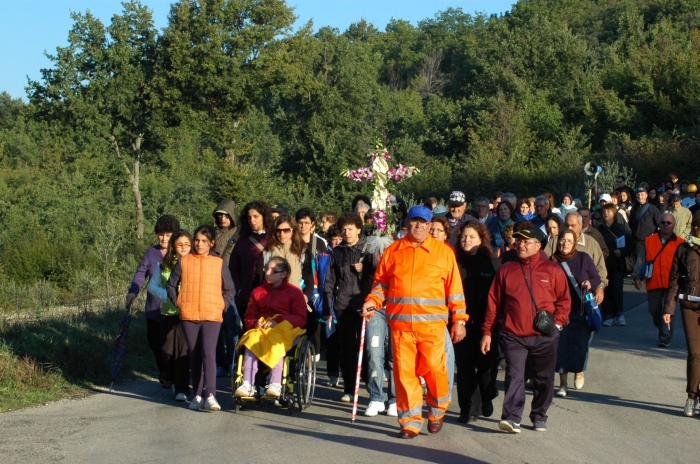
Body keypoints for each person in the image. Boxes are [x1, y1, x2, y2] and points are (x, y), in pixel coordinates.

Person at [362, 205, 467, 439]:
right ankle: (410, 421)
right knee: (404, 375)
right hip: (401, 328)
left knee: (435, 371)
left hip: (432, 328)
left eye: (423, 222)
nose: (419, 226)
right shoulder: (393, 251)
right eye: (414, 221)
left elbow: (455, 291)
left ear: (430, 226)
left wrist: (460, 320)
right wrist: (373, 301)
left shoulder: (444, 253)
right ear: (407, 223)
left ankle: (437, 410)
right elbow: (381, 284)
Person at [481, 227, 571, 433]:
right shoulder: (506, 269)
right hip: (513, 335)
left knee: (544, 378)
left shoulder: (553, 270)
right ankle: (511, 418)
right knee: (514, 376)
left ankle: (539, 414)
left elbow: (565, 301)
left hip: (544, 336)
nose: (521, 244)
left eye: (526, 241)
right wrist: (487, 331)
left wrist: (557, 324)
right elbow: (493, 303)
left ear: (538, 246)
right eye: (519, 241)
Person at [167, 225, 236, 411]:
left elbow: (230, 289)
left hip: (212, 315)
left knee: (209, 353)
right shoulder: (183, 261)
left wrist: (221, 305)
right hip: (189, 315)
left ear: (211, 243)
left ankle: (211, 395)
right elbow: (171, 285)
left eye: (204, 241)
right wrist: (179, 302)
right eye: (197, 240)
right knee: (195, 354)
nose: (199, 244)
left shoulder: (219, 262)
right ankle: (197, 395)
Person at [322, 214, 387, 411]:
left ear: (359, 230)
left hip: (365, 304)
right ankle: (350, 389)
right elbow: (330, 282)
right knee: (347, 349)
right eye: (344, 229)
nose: (347, 233)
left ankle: (371, 386)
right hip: (343, 305)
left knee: (368, 347)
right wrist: (327, 309)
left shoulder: (370, 249)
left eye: (351, 229)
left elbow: (379, 277)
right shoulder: (336, 252)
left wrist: (365, 268)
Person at [235, 256, 307, 398]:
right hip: (262, 329)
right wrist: (254, 323)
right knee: (251, 338)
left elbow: (301, 318)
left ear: (284, 274)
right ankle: (247, 383)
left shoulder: (294, 292)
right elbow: (249, 315)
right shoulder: (257, 292)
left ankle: (275, 383)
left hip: (285, 329)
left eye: (274, 271)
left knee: (275, 340)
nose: (268, 273)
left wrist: (279, 320)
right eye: (267, 269)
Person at [454, 221, 501, 423]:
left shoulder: (492, 263)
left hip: (486, 325)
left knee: (486, 368)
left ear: (481, 240)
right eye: (464, 236)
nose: (467, 240)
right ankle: (467, 409)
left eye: (472, 236)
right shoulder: (454, 262)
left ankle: (487, 395)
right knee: (465, 369)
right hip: (461, 323)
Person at [126, 214, 180, 388]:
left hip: (174, 308)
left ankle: (174, 374)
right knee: (154, 342)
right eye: (161, 234)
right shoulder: (151, 253)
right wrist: (133, 291)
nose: (164, 238)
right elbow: (141, 273)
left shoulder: (182, 253)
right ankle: (164, 371)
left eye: (168, 234)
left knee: (171, 344)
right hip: (154, 308)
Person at [550, 230, 601, 397]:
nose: (565, 243)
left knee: (580, 345)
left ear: (575, 243)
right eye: (562, 240)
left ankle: (579, 372)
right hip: (560, 311)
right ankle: (562, 384)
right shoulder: (552, 261)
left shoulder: (583, 258)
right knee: (561, 347)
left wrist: (590, 283)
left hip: (581, 309)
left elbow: (596, 278)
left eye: (569, 241)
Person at [147, 229, 192, 401]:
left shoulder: (195, 263)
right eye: (179, 244)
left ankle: (182, 388)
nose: (183, 247)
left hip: (187, 314)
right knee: (166, 350)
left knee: (182, 351)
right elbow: (152, 286)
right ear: (174, 245)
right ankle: (174, 379)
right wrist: (167, 295)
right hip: (168, 312)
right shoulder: (163, 264)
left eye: (187, 244)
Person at [228, 200, 273, 373]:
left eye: (256, 216)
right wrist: (238, 289)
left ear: (264, 217)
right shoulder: (242, 241)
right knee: (250, 332)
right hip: (246, 296)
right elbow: (234, 269)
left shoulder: (273, 238)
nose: (252, 220)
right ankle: (248, 372)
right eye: (249, 217)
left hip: (269, 295)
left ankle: (267, 371)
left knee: (267, 334)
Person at [663, 215, 700, 416]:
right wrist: (669, 309)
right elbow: (674, 281)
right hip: (690, 306)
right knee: (695, 353)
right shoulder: (684, 249)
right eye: (697, 227)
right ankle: (692, 396)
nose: (699, 231)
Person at [633, 213, 683, 347]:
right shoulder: (650, 240)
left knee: (668, 310)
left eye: (669, 223)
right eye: (663, 222)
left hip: (672, 283)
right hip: (653, 281)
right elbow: (641, 260)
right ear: (659, 224)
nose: (666, 225)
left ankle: (665, 337)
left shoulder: (680, 242)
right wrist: (637, 276)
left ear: (674, 225)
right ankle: (663, 328)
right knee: (654, 310)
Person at [544, 212, 607, 304]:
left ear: (581, 225)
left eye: (573, 225)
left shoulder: (591, 244)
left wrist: (600, 287)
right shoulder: (555, 241)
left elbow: (600, 269)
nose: (569, 228)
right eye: (567, 225)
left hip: (582, 297)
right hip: (559, 297)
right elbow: (543, 264)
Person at [296, 207, 329, 357]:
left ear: (312, 224)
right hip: (297, 284)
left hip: (314, 287)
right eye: (300, 222)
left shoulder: (320, 243)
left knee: (314, 320)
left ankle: (315, 350)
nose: (303, 226)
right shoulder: (292, 241)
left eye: (306, 223)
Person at [212, 199, 238, 376]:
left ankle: (234, 362)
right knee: (215, 328)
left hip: (231, 285)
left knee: (231, 326)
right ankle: (220, 363)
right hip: (212, 284)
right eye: (220, 215)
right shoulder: (211, 234)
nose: (223, 218)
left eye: (226, 215)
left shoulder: (239, 234)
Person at [596, 204, 634, 326]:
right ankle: (607, 316)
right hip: (603, 265)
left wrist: (622, 252)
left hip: (617, 263)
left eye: (608, 211)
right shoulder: (599, 229)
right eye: (604, 211)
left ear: (614, 213)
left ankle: (619, 314)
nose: (605, 213)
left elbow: (631, 245)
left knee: (617, 289)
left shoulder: (621, 228)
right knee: (605, 289)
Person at [255, 214, 305, 291]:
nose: (282, 234)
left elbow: (308, 277)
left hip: (296, 297)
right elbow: (259, 279)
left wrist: (306, 295)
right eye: (278, 230)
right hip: (272, 298)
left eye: (286, 230)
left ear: (293, 231)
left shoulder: (302, 250)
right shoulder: (267, 252)